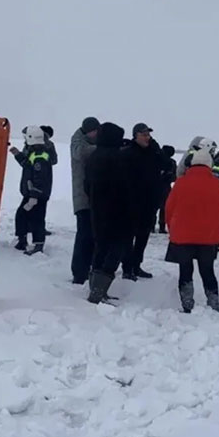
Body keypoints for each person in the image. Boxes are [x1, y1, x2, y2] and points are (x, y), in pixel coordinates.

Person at [165, 148, 219, 312]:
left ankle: (187, 304)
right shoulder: (217, 183)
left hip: (182, 236)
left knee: (185, 271)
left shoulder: (180, 183)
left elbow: (169, 209)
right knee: (207, 271)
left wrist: (173, 228)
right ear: (209, 164)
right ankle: (213, 303)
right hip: (208, 237)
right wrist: (215, 227)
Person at [85, 122, 131, 303]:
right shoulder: (117, 158)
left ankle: (95, 288)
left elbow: (86, 185)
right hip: (117, 211)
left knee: (101, 247)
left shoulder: (94, 157)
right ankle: (99, 290)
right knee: (116, 249)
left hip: (97, 209)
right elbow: (125, 187)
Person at [120, 122, 162, 280]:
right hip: (131, 203)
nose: (147, 137)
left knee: (143, 236)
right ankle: (127, 268)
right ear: (135, 136)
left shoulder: (153, 152)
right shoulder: (127, 154)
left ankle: (136, 265)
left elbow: (165, 165)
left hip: (149, 203)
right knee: (128, 237)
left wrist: (156, 149)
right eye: (144, 135)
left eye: (149, 135)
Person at [11, 126, 53, 255]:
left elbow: (39, 178)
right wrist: (18, 155)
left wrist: (34, 197)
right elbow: (27, 165)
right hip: (31, 193)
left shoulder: (40, 156)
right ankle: (22, 240)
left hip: (37, 195)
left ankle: (38, 245)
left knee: (37, 219)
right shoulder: (34, 153)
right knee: (22, 216)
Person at [69, 117, 99, 284]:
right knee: (84, 235)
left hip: (91, 197)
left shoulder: (87, 140)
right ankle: (79, 272)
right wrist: (101, 148)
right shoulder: (78, 141)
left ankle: (86, 269)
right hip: (82, 197)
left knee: (91, 235)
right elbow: (80, 153)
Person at [156, 145, 178, 233]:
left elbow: (174, 177)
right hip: (164, 187)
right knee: (163, 208)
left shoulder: (159, 161)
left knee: (159, 208)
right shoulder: (171, 162)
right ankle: (160, 226)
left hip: (160, 187)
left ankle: (155, 226)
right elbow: (174, 177)